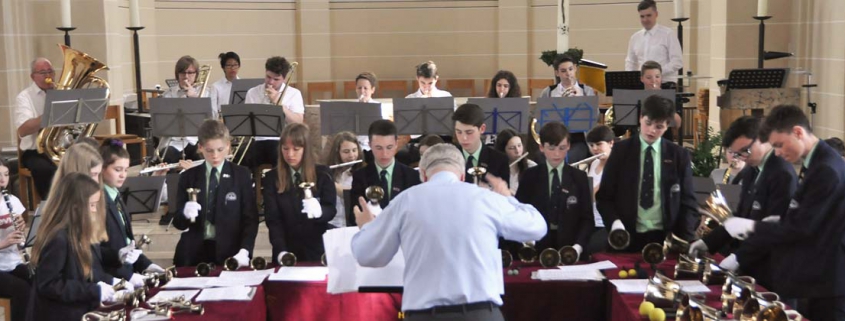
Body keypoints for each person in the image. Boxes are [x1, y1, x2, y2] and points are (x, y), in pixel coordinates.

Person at [351, 143, 546, 321]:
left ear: (424, 175)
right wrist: (507, 197)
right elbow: (537, 228)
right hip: (480, 313)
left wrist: (368, 227)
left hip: (424, 315)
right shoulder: (485, 198)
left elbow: (367, 255)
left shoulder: (406, 200)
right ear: (462, 175)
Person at [718, 105, 845, 321]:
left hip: (829, 279)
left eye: (779, 145)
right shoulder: (818, 161)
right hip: (819, 275)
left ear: (797, 132)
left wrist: (753, 226)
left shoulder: (825, 167)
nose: (777, 153)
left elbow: (802, 228)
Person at [686, 116, 796, 289]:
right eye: (737, 153)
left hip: (772, 271)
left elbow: (772, 230)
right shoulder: (752, 170)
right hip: (751, 265)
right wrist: (708, 242)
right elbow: (740, 217)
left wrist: (739, 257)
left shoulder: (782, 175)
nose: (742, 158)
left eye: (745, 150)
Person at [596, 95, 698, 251]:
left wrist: (685, 239)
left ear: (667, 126)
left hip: (666, 238)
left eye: (659, 127)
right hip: (626, 235)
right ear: (640, 118)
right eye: (648, 123)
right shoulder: (620, 151)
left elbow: (688, 201)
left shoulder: (678, 155)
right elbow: (604, 197)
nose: (651, 130)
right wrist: (615, 224)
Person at [27, 173, 118, 321]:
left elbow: (81, 272)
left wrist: (111, 282)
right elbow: (49, 284)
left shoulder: (77, 232)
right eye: (92, 205)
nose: (95, 210)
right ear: (76, 205)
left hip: (76, 309)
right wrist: (93, 290)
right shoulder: (58, 239)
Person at [173, 120, 258, 267]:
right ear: (200, 148)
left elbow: (250, 219)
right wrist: (184, 213)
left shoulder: (241, 175)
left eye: (220, 149)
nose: (215, 156)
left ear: (228, 146)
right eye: (209, 150)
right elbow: (178, 223)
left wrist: (245, 251)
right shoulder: (188, 177)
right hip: (193, 254)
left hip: (230, 252)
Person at [515, 122, 592, 259]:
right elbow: (521, 213)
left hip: (571, 248)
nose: (557, 154)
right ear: (541, 147)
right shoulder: (529, 176)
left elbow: (587, 218)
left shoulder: (579, 177)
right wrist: (528, 242)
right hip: (538, 247)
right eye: (551, 148)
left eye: (562, 148)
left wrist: (577, 247)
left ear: (569, 146)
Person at [264, 123, 336, 263]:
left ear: (306, 149)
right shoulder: (272, 178)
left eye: (296, 149)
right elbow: (273, 220)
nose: (290, 154)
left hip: (316, 249)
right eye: (285, 149)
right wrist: (281, 251)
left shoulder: (323, 174)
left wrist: (319, 211)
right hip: (286, 248)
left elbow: (331, 209)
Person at [97, 139, 165, 288]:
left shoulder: (116, 195)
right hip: (113, 279)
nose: (123, 175)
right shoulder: (97, 201)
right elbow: (96, 252)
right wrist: (128, 276)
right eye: (117, 169)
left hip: (126, 273)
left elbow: (128, 242)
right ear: (102, 168)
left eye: (126, 170)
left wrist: (146, 265)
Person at [350, 120, 421, 224]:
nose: (384, 154)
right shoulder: (360, 176)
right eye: (378, 148)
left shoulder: (412, 176)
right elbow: (353, 215)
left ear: (396, 144)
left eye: (389, 147)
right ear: (369, 145)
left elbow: (417, 213)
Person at [243, 56, 304, 171]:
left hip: (282, 140)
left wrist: (278, 103)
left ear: (284, 79)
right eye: (268, 77)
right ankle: (251, 186)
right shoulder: (253, 92)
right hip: (258, 140)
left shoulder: (294, 94)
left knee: (277, 152)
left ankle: (279, 186)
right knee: (241, 157)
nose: (270, 82)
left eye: (276, 79)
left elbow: (298, 122)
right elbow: (247, 124)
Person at [14, 57, 58, 199]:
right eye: (43, 72)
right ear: (33, 77)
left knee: (85, 160)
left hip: (59, 147)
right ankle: (51, 208)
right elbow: (23, 129)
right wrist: (49, 113)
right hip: (35, 151)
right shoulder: (24, 97)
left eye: (50, 71)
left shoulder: (60, 92)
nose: (48, 76)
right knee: (46, 169)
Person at [160, 55, 214, 164]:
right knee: (166, 157)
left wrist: (193, 98)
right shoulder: (168, 94)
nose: (186, 76)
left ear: (196, 74)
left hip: (197, 140)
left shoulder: (206, 92)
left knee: (204, 159)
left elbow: (211, 119)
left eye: (190, 73)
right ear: (177, 74)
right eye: (182, 72)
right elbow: (162, 123)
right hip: (174, 142)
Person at [0, 159, 30, 321]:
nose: (3, 179)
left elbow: (21, 233)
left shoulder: (13, 201)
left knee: (37, 279)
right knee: (22, 289)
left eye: (5, 175)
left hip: (13, 261)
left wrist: (21, 226)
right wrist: (4, 243)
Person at [625, 0, 683, 82]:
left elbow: (677, 62)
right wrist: (631, 79)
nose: (645, 19)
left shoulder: (668, 34)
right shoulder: (635, 37)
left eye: (649, 15)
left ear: (656, 14)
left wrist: (655, 74)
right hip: (642, 86)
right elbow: (631, 62)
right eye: (642, 16)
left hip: (664, 83)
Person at [452, 104, 510, 186]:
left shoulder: (499, 160)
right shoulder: (449, 158)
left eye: (469, 132)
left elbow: (505, 196)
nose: (463, 138)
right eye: (459, 132)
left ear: (482, 129)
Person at [584, 125, 615, 256]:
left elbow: (593, 195)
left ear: (611, 143)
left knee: (590, 249)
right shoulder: (595, 163)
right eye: (591, 145)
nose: (594, 149)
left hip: (606, 223)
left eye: (598, 144)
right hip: (592, 219)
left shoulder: (616, 166)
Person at [323, 132, 365, 228]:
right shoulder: (331, 172)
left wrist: (328, 182)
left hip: (351, 224)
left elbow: (349, 194)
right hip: (332, 223)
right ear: (337, 153)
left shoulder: (362, 173)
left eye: (354, 150)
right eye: (346, 152)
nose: (351, 155)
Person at [494, 129, 536, 195]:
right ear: (502, 151)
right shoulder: (495, 168)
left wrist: (513, 193)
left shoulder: (532, 167)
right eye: (512, 148)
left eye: (519, 145)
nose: (518, 151)